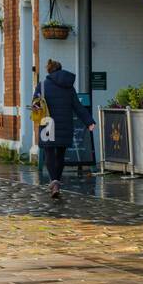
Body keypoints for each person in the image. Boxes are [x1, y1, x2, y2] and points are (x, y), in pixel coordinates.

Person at [36, 59, 94, 201]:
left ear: (49, 71)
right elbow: (78, 106)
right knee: (60, 154)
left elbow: (35, 105)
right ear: (60, 69)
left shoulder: (42, 86)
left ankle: (54, 182)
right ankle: (57, 182)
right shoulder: (69, 87)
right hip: (65, 125)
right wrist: (89, 122)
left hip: (47, 124)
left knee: (49, 153)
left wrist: (36, 107)